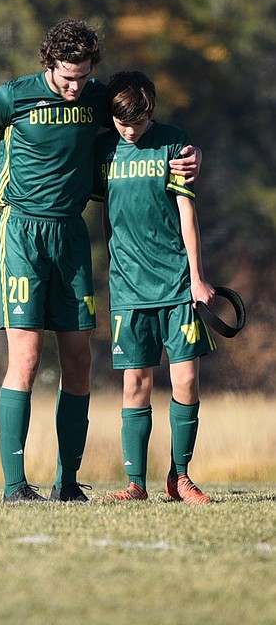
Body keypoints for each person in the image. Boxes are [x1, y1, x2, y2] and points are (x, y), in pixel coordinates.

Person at [0, 19, 200, 503]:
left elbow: (147, 135)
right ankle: (14, 485)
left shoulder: (98, 99)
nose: (74, 88)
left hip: (72, 235)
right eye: (66, 77)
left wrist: (190, 157)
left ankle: (67, 483)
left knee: (79, 358)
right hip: (22, 232)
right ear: (47, 64)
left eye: (83, 77)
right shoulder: (10, 97)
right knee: (27, 358)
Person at [93, 71, 214, 504]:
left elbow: (187, 212)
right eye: (122, 123)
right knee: (135, 385)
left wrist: (197, 278)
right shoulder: (103, 148)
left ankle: (180, 477)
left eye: (138, 123)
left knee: (185, 381)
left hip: (177, 283)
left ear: (151, 112)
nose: (130, 130)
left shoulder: (172, 141)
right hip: (128, 286)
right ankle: (135, 484)